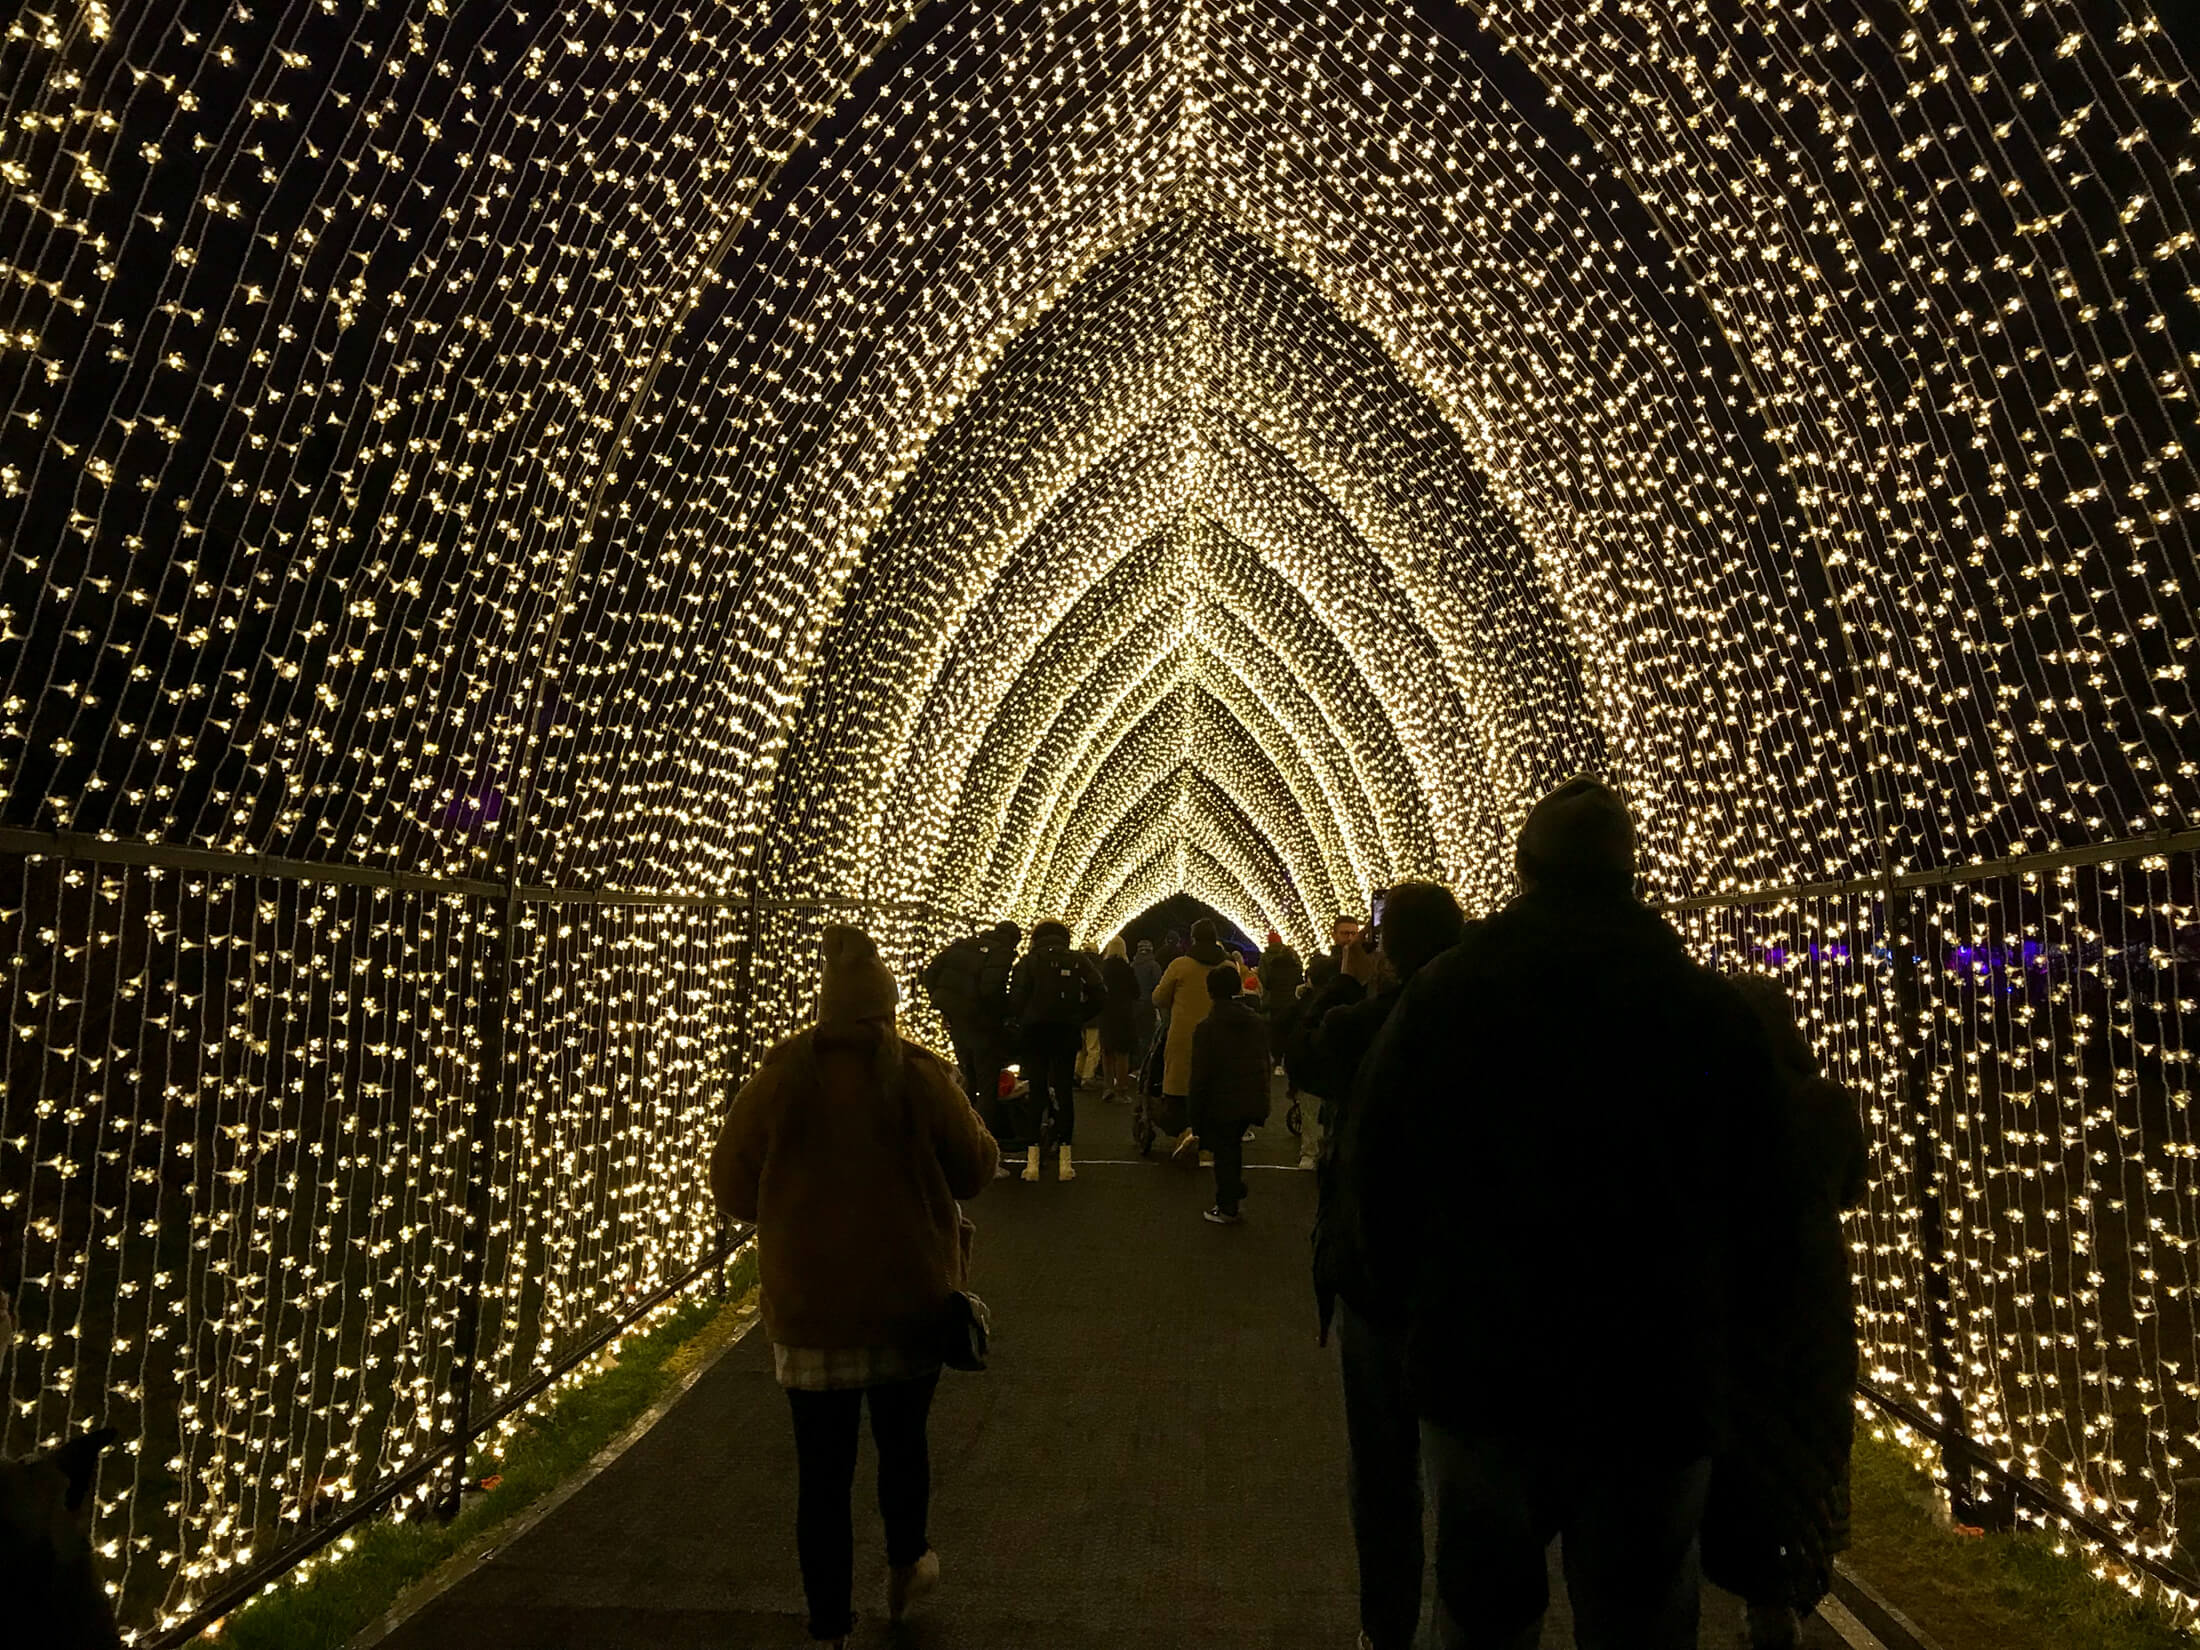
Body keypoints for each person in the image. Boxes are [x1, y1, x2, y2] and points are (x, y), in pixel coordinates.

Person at [1344, 776, 1787, 1650]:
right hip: (1655, 1384)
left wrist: (1414, 1321)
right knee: (1643, 1615)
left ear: (1521, 870)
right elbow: (1765, 1204)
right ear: (1630, 874)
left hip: (1484, 1371)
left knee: (1480, 1614)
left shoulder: (1448, 997)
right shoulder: (1707, 1011)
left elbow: (1379, 1174)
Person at [710, 925, 999, 1650]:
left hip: (811, 1313)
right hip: (909, 1305)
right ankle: (904, 1569)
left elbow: (732, 1187)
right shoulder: (918, 1075)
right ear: (887, 1007)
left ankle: (828, 1624)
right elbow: (973, 1170)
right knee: (904, 1446)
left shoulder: (779, 1078)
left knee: (822, 1474)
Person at [1303, 882, 1467, 1650]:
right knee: (1467, 1467)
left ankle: (1387, 1627)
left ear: (1386, 946)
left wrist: (1345, 969)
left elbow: (1308, 1049)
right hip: (1472, 1279)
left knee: (1384, 1469)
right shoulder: (1495, 1011)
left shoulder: (1376, 1021)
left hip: (1379, 1281)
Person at [1701, 974, 1869, 1649]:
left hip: (1736, 1303)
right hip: (1814, 1299)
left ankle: (1756, 1588)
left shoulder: (1712, 1107)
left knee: (1747, 1449)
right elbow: (1853, 1188)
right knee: (1809, 1440)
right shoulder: (1825, 1102)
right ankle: (1790, 1586)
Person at [1006, 920, 1105, 1182]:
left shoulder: (1029, 961)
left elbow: (1015, 998)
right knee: (1063, 1090)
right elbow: (1100, 992)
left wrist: (1023, 1018)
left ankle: (1032, 1162)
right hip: (1065, 1033)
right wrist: (1079, 1016)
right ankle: (1065, 1161)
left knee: (1036, 1090)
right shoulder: (1077, 960)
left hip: (1035, 1034)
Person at [1187, 962, 1271, 1224]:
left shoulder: (1207, 1028)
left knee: (1225, 1152)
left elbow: (1200, 1074)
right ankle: (1234, 1190)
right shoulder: (1255, 1022)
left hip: (1220, 1100)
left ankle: (1228, 1205)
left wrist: (1195, 1113)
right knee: (1231, 1148)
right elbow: (1263, 1062)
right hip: (1250, 1094)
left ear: (1210, 992)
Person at [919, 921, 1022, 1129]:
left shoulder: (962, 944)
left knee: (967, 1075)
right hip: (982, 1023)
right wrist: (1004, 1012)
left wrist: (943, 1004)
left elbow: (930, 974)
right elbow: (992, 989)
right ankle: (980, 1134)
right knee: (987, 1084)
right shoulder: (1002, 952)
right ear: (1013, 940)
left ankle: (958, 1127)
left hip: (957, 1021)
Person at [1152, 918, 1230, 1164]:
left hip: (1184, 1034)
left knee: (1179, 1087)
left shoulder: (1181, 965)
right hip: (1219, 1034)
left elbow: (1159, 997)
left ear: (1193, 939)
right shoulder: (1228, 965)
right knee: (1213, 1088)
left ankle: (1184, 1131)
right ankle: (1208, 1146)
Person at [1097, 937, 1142, 1102]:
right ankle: (1121, 1089)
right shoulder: (1126, 969)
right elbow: (1136, 992)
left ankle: (1107, 1086)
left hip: (1106, 1014)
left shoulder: (1103, 969)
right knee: (1122, 1053)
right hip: (1123, 1014)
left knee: (1107, 1051)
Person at [1258, 927, 1304, 1020]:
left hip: (1274, 1000)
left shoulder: (1265, 957)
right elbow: (1300, 974)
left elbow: (1264, 978)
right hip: (1292, 998)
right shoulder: (1292, 954)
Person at [1131, 937, 1162, 1061]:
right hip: (1148, 1005)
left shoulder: (1132, 966)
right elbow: (1157, 985)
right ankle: (1143, 1064)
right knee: (1147, 1036)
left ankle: (1133, 1063)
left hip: (1134, 1005)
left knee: (1136, 1035)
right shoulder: (1154, 966)